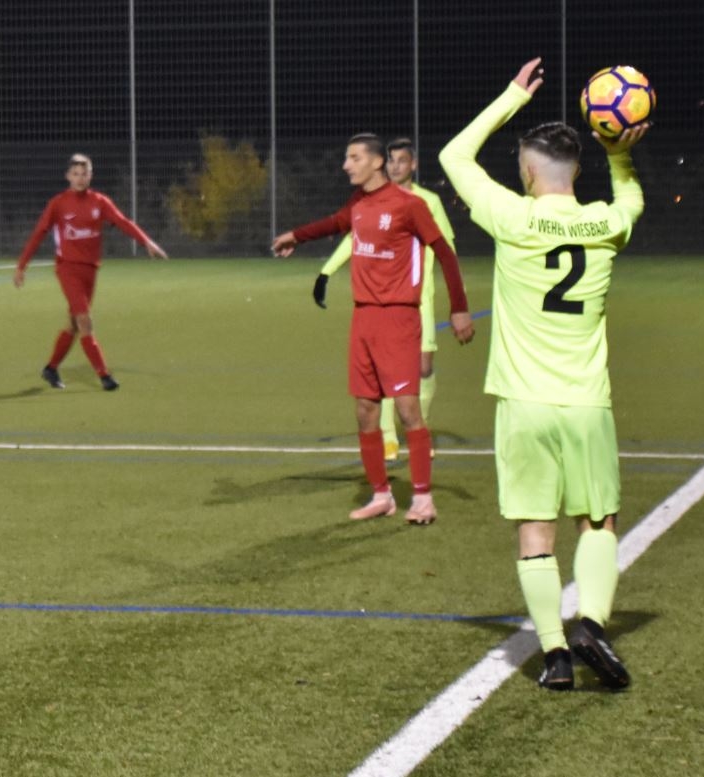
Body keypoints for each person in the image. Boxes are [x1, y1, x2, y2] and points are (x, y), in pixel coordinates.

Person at [439, 58, 648, 690]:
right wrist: (619, 152)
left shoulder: (513, 217)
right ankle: (592, 623)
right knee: (598, 522)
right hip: (586, 402)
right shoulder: (606, 224)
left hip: (522, 404)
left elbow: (453, 157)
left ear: (528, 172)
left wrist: (510, 97)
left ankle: (555, 655)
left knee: (536, 531)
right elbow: (632, 199)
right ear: (577, 171)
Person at [273, 133, 474, 525]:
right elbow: (335, 223)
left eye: (354, 158)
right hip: (363, 318)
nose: (346, 165)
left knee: (407, 409)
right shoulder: (359, 203)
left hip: (398, 317)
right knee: (365, 411)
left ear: (376, 162)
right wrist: (296, 236)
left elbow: (445, 253)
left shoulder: (409, 205)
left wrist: (460, 308)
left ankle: (423, 499)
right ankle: (382, 495)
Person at [312, 138, 457, 461]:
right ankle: (389, 438)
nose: (396, 166)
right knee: (382, 372)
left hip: (419, 300)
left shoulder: (428, 201)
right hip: (384, 302)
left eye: (402, 160)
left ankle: (419, 426)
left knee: (423, 368)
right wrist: (327, 271)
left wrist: (454, 295)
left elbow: (445, 245)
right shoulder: (372, 202)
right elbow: (355, 238)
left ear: (413, 165)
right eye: (391, 160)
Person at [14, 153, 168, 391]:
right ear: (68, 176)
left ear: (91, 175)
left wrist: (146, 241)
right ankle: (105, 376)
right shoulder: (58, 203)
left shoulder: (99, 202)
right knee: (85, 321)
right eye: (75, 174)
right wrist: (21, 266)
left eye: (84, 173)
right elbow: (38, 234)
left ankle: (51, 368)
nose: (80, 178)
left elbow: (123, 221)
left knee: (74, 324)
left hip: (90, 270)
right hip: (67, 269)